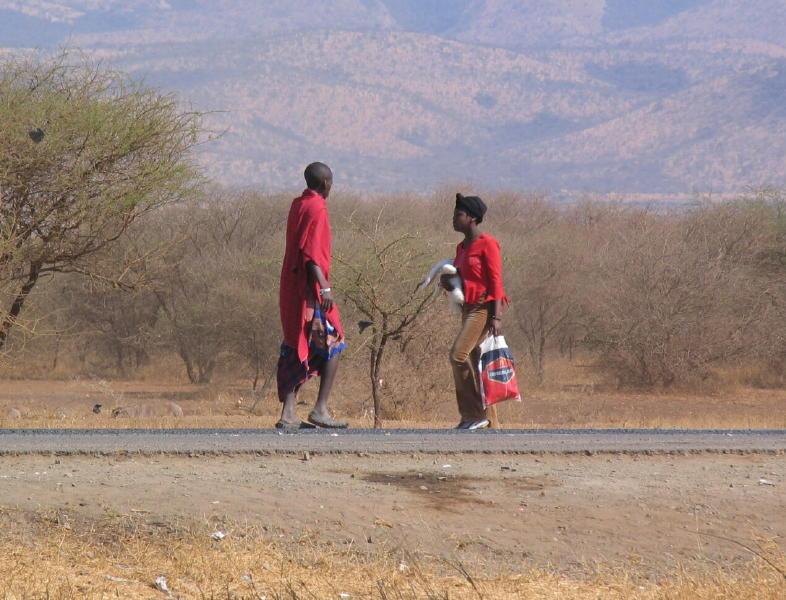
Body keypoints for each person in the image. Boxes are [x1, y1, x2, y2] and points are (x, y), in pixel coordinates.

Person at [276, 162, 348, 430]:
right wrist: (324, 286)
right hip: (309, 290)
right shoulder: (317, 207)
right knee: (334, 341)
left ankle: (289, 413)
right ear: (326, 183)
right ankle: (320, 408)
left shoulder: (298, 204)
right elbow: (311, 254)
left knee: (297, 343)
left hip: (292, 287)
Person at [441, 193, 508, 430]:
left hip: (483, 309)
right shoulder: (461, 247)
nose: (453, 219)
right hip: (466, 308)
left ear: (471, 218)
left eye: (458, 215)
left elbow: (496, 281)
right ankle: (492, 423)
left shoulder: (488, 244)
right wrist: (448, 283)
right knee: (477, 363)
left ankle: (472, 413)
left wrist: (497, 316)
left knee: (457, 355)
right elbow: (462, 277)